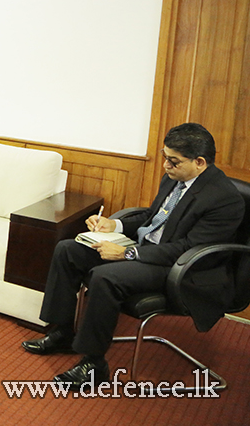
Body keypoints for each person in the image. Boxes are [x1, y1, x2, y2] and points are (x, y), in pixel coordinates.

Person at [22, 123, 244, 385]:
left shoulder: (224, 199)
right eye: (165, 158)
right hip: (147, 250)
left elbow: (186, 248)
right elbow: (153, 218)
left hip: (180, 267)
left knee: (105, 276)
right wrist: (114, 225)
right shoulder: (175, 177)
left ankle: (94, 364)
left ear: (199, 162)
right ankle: (63, 333)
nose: (166, 166)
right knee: (68, 249)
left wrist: (128, 254)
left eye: (173, 161)